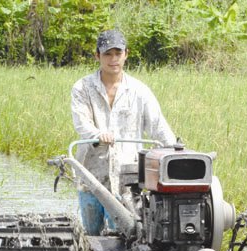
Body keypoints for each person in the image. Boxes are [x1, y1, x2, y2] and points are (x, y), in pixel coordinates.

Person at [71, 29, 176, 235]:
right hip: (92, 175)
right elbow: (82, 124)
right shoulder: (82, 88)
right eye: (107, 54)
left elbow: (157, 125)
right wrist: (97, 134)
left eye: (117, 54)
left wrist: (176, 149)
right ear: (97, 56)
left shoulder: (139, 91)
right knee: (92, 235)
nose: (113, 59)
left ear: (126, 54)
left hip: (126, 178)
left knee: (125, 235)